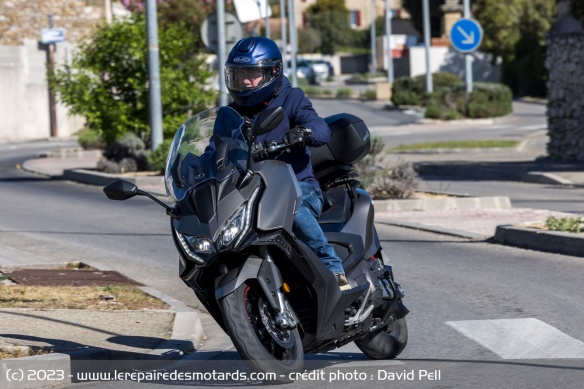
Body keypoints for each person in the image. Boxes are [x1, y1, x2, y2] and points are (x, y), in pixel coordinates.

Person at [224, 36, 350, 291]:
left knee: (294, 206)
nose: (246, 81)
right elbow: (214, 148)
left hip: (298, 186)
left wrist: (301, 133)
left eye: (253, 74)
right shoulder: (231, 114)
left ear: (273, 72)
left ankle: (332, 267)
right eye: (240, 74)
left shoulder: (292, 98)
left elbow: (320, 129)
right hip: (251, 193)